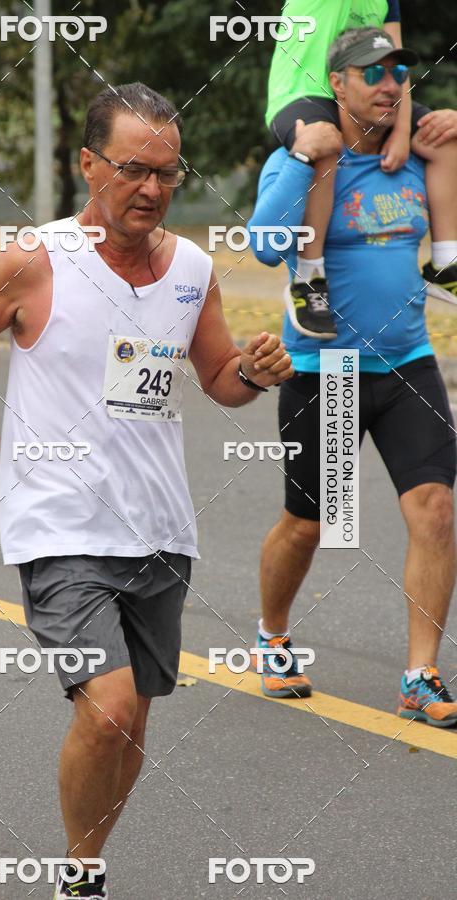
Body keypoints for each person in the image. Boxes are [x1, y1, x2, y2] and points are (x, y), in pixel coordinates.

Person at [0, 83, 294, 899]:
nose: (153, 190)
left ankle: (88, 863)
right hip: (57, 522)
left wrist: (253, 371)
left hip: (159, 528)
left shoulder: (193, 269)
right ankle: (79, 874)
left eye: (168, 173)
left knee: (131, 719)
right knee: (107, 705)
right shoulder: (34, 259)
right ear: (88, 163)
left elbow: (217, 379)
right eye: (134, 169)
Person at [249, 28, 457, 728]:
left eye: (397, 71)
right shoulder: (302, 156)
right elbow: (262, 243)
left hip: (408, 364)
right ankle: (272, 636)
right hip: (327, 370)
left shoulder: (418, 158)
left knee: (435, 511)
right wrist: (305, 160)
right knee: (307, 526)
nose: (388, 83)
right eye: (372, 72)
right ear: (337, 84)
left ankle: (420, 674)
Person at [266, 1, 457, 339]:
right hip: (302, 94)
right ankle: (309, 278)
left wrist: (401, 130)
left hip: (407, 358)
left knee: (442, 134)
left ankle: (446, 262)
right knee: (326, 142)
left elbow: (395, 55)